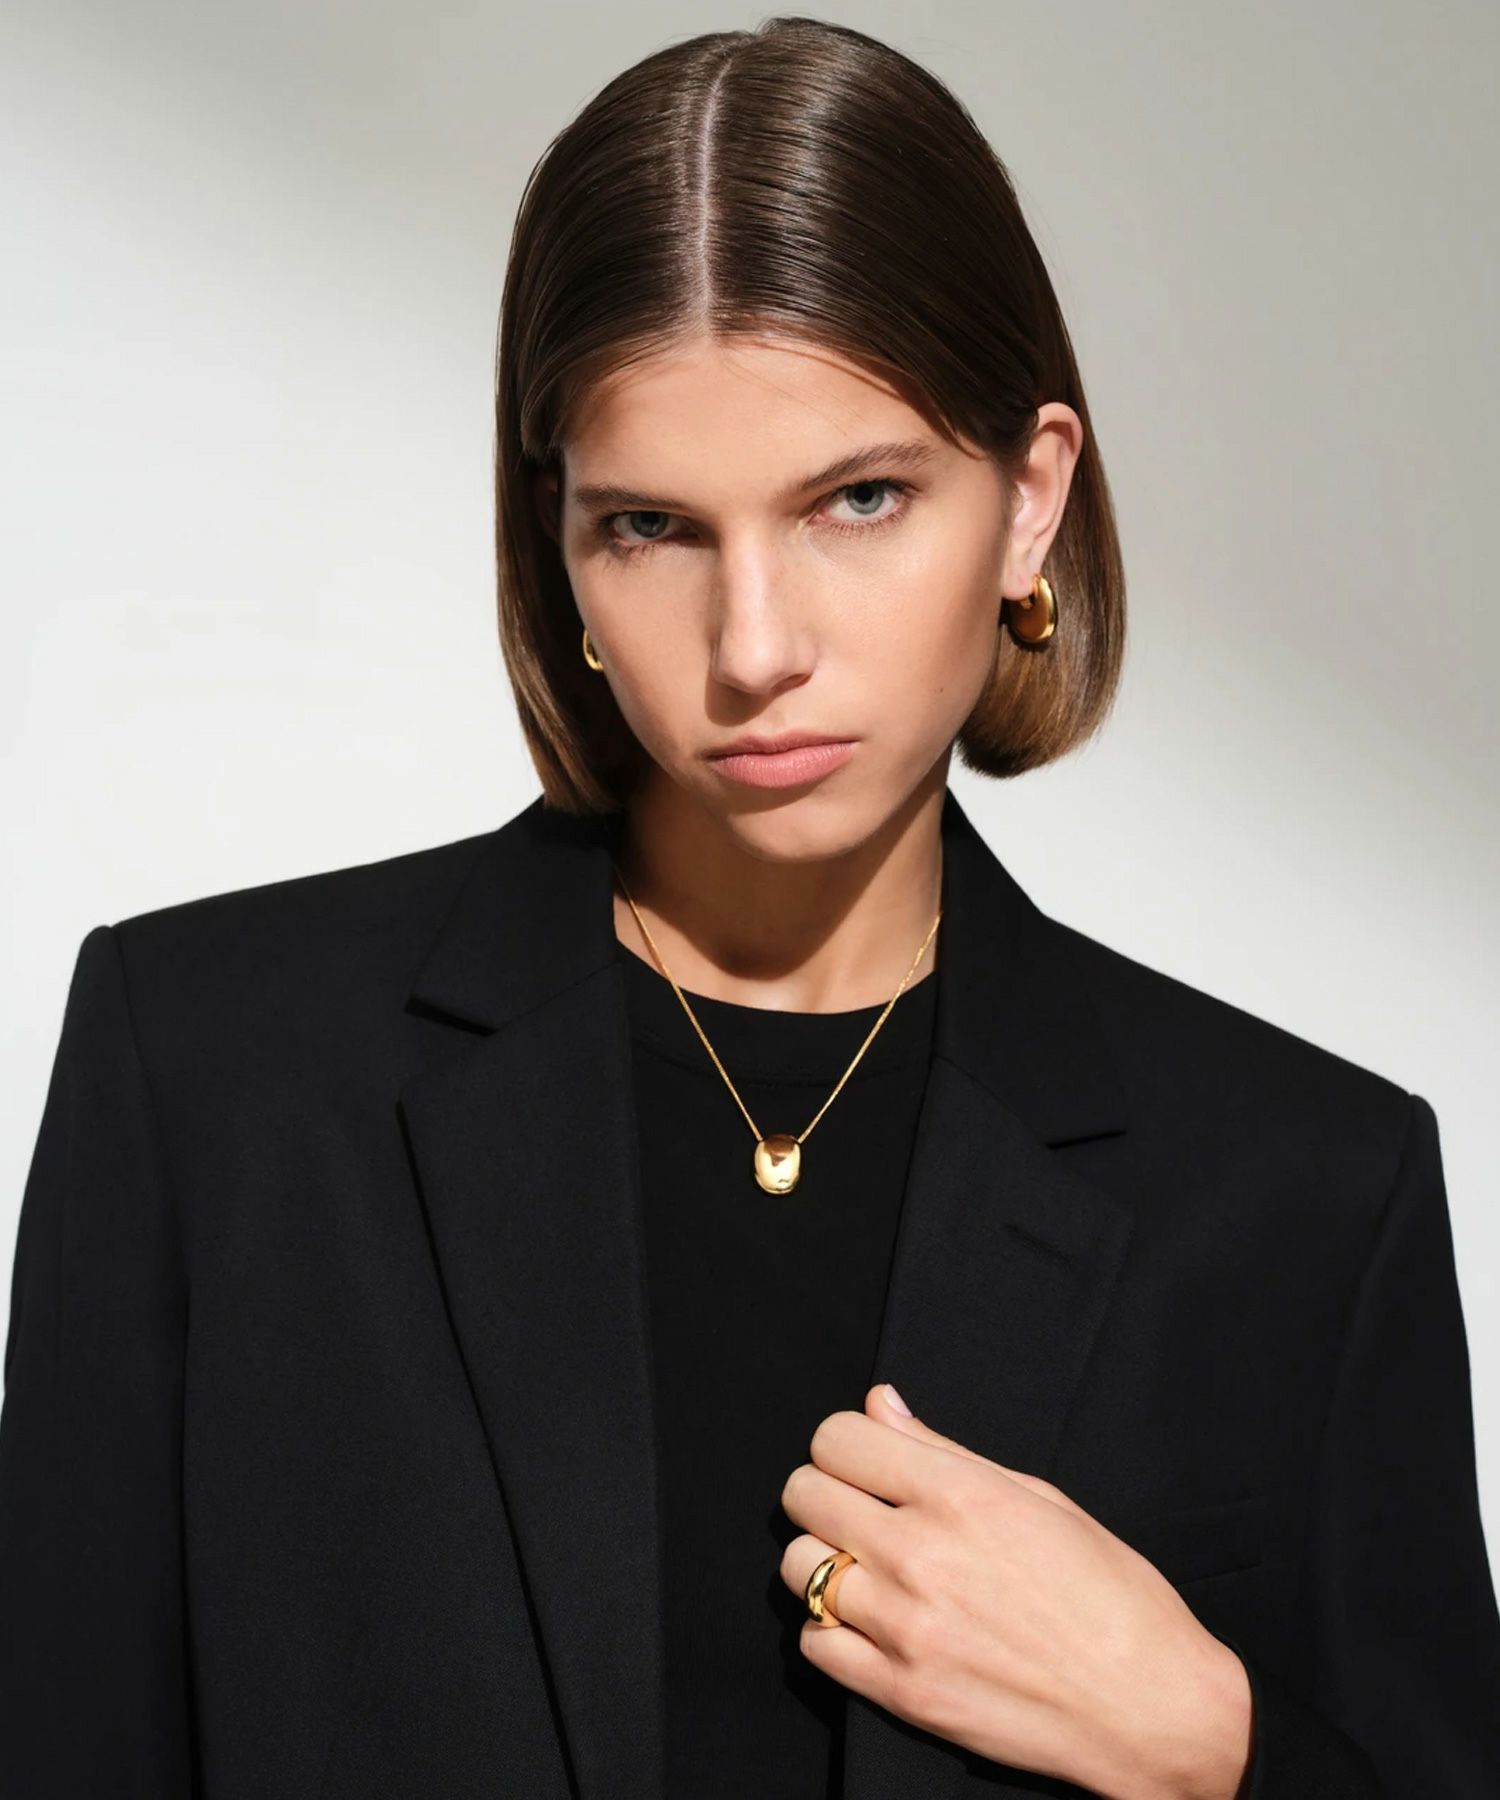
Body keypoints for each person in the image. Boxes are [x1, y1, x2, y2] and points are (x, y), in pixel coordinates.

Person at [2, 15, 1497, 1800]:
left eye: (859, 500)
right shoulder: (210, 1083)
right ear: (557, 542)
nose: (756, 649)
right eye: (652, 527)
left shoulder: (1303, 1193)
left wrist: (1210, 1744)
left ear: (1030, 502)